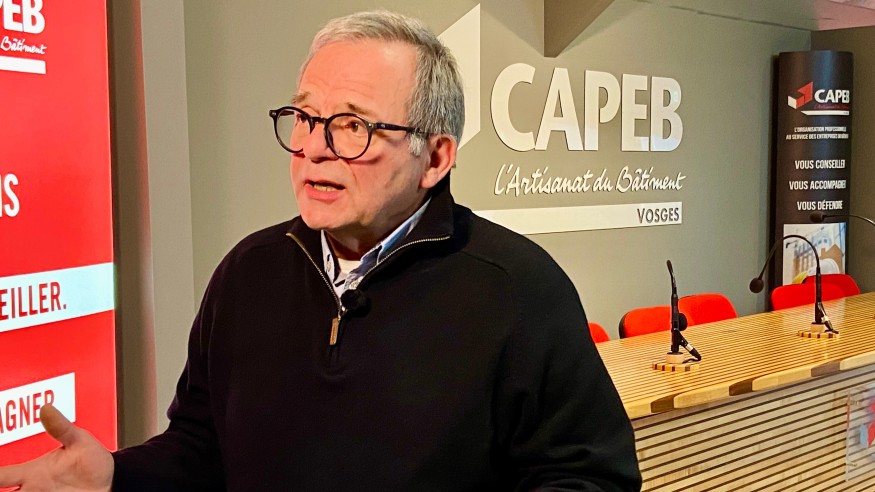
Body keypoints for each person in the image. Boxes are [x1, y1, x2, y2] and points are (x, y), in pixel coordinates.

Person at [0, 10, 641, 491]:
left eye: (353, 126)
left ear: (435, 158)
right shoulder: (247, 273)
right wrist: (115, 476)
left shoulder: (518, 290)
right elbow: (201, 449)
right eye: (306, 118)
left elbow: (590, 478)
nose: (313, 149)